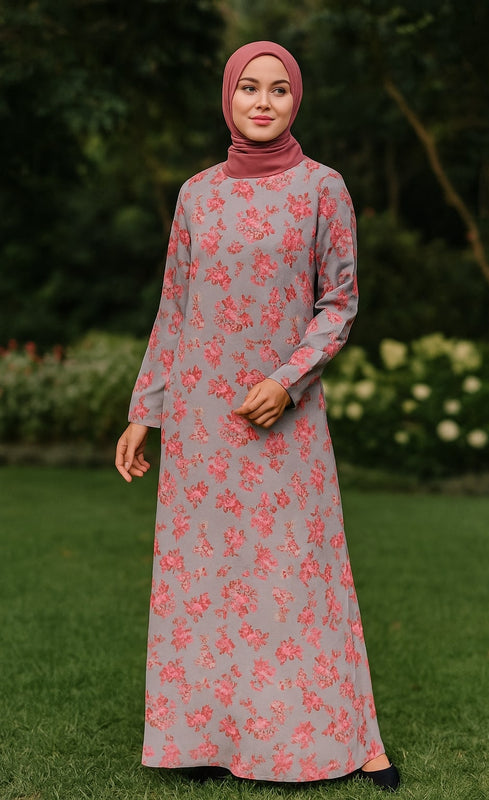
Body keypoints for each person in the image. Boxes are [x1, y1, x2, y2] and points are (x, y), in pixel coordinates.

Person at [115, 41, 400, 792]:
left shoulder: (321, 189)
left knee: (299, 576)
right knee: (205, 580)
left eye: (278, 88)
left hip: (285, 420)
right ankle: (201, 741)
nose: (263, 101)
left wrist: (288, 381)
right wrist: (147, 411)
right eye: (249, 88)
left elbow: (338, 303)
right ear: (229, 97)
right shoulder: (196, 194)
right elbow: (174, 309)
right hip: (203, 421)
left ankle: (342, 741)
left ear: (295, 99)